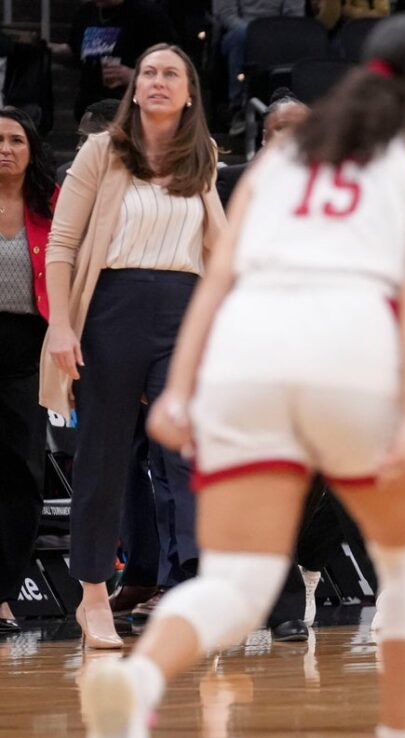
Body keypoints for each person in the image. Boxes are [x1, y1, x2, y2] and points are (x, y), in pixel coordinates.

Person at [73, 13, 405, 738]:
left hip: (242, 357)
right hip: (346, 348)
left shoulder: (282, 156)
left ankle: (141, 681)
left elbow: (218, 275)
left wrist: (184, 386)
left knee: (238, 580)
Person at [41, 44, 226, 650]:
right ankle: (94, 594)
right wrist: (63, 327)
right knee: (102, 454)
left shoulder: (203, 157)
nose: (157, 81)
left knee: (186, 451)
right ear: (135, 86)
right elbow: (63, 246)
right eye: (147, 72)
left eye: (171, 73)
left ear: (189, 92)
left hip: (184, 310)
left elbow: (218, 252)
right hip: (113, 309)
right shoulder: (102, 152)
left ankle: (191, 587)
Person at [0, 109, 57, 634]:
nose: (5, 148)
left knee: (21, 474)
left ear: (32, 150)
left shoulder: (51, 206)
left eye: (16, 139)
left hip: (27, 350)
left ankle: (3, 596)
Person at [49, 0, 179, 121]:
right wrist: (49, 49)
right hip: (90, 108)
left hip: (129, 109)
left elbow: (171, 64)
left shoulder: (148, 14)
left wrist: (132, 75)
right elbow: (76, 52)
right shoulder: (86, 12)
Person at [212, 0, 306, 120]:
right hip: (241, 32)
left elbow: (294, 15)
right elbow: (227, 15)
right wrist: (255, 33)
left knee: (300, 37)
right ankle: (237, 105)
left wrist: (271, 35)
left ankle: (293, 101)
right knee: (239, 37)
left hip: (279, 31)